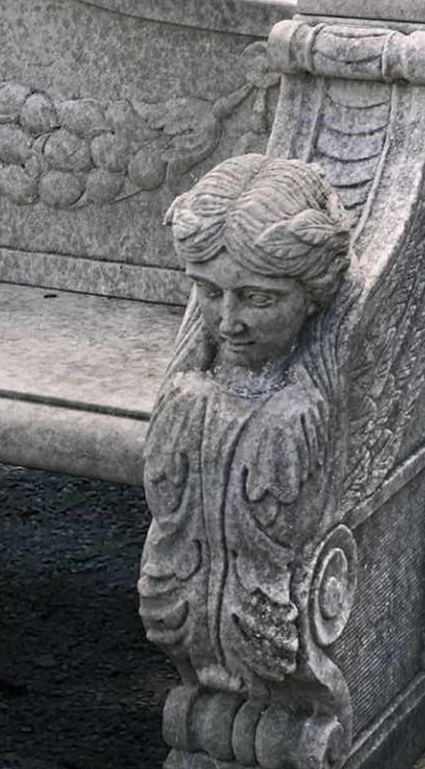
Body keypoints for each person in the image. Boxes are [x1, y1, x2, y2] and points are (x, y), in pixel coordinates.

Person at [139, 154, 354, 699]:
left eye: (258, 298)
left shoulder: (297, 412)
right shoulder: (195, 391)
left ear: (312, 296)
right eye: (209, 293)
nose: (228, 322)